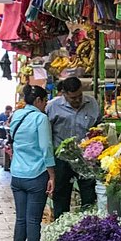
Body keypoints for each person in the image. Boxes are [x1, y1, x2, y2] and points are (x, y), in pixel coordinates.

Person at [7, 85, 56, 241]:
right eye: (45, 101)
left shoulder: (16, 116)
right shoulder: (40, 118)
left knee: (21, 219)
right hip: (36, 174)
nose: (45, 105)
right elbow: (46, 148)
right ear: (38, 101)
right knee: (33, 220)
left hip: (17, 174)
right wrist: (52, 174)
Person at [47, 76, 101, 218]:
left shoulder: (92, 103)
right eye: (73, 98)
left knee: (89, 194)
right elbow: (46, 133)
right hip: (61, 159)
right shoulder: (53, 107)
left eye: (79, 96)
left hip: (86, 158)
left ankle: (88, 226)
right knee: (61, 194)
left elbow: (99, 128)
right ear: (64, 94)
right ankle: (61, 226)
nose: (77, 100)